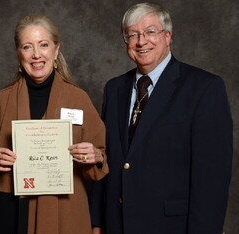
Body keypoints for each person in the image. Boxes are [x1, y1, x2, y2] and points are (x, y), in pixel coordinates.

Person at [90, 2, 233, 234]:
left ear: (168, 36)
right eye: (133, 34)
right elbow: (107, 158)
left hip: (171, 226)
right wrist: (97, 222)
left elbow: (212, 181)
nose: (141, 41)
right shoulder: (114, 89)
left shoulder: (204, 88)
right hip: (117, 224)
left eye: (150, 32)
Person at [0, 14, 109, 234]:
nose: (36, 55)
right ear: (19, 54)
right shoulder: (1, 101)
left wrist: (95, 156)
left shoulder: (78, 99)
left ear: (56, 50)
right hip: (11, 211)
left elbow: (102, 159)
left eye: (44, 45)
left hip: (62, 212)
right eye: (27, 47)